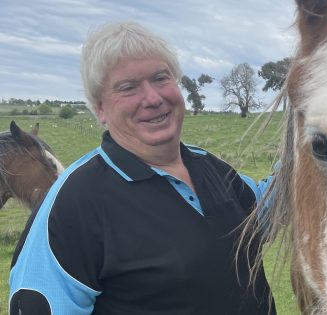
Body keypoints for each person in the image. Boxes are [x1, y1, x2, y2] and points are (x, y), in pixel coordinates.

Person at [9, 21, 275, 314]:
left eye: (161, 78)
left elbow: (262, 209)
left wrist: (309, 146)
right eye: (128, 87)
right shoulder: (73, 203)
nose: (152, 98)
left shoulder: (210, 166)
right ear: (100, 108)